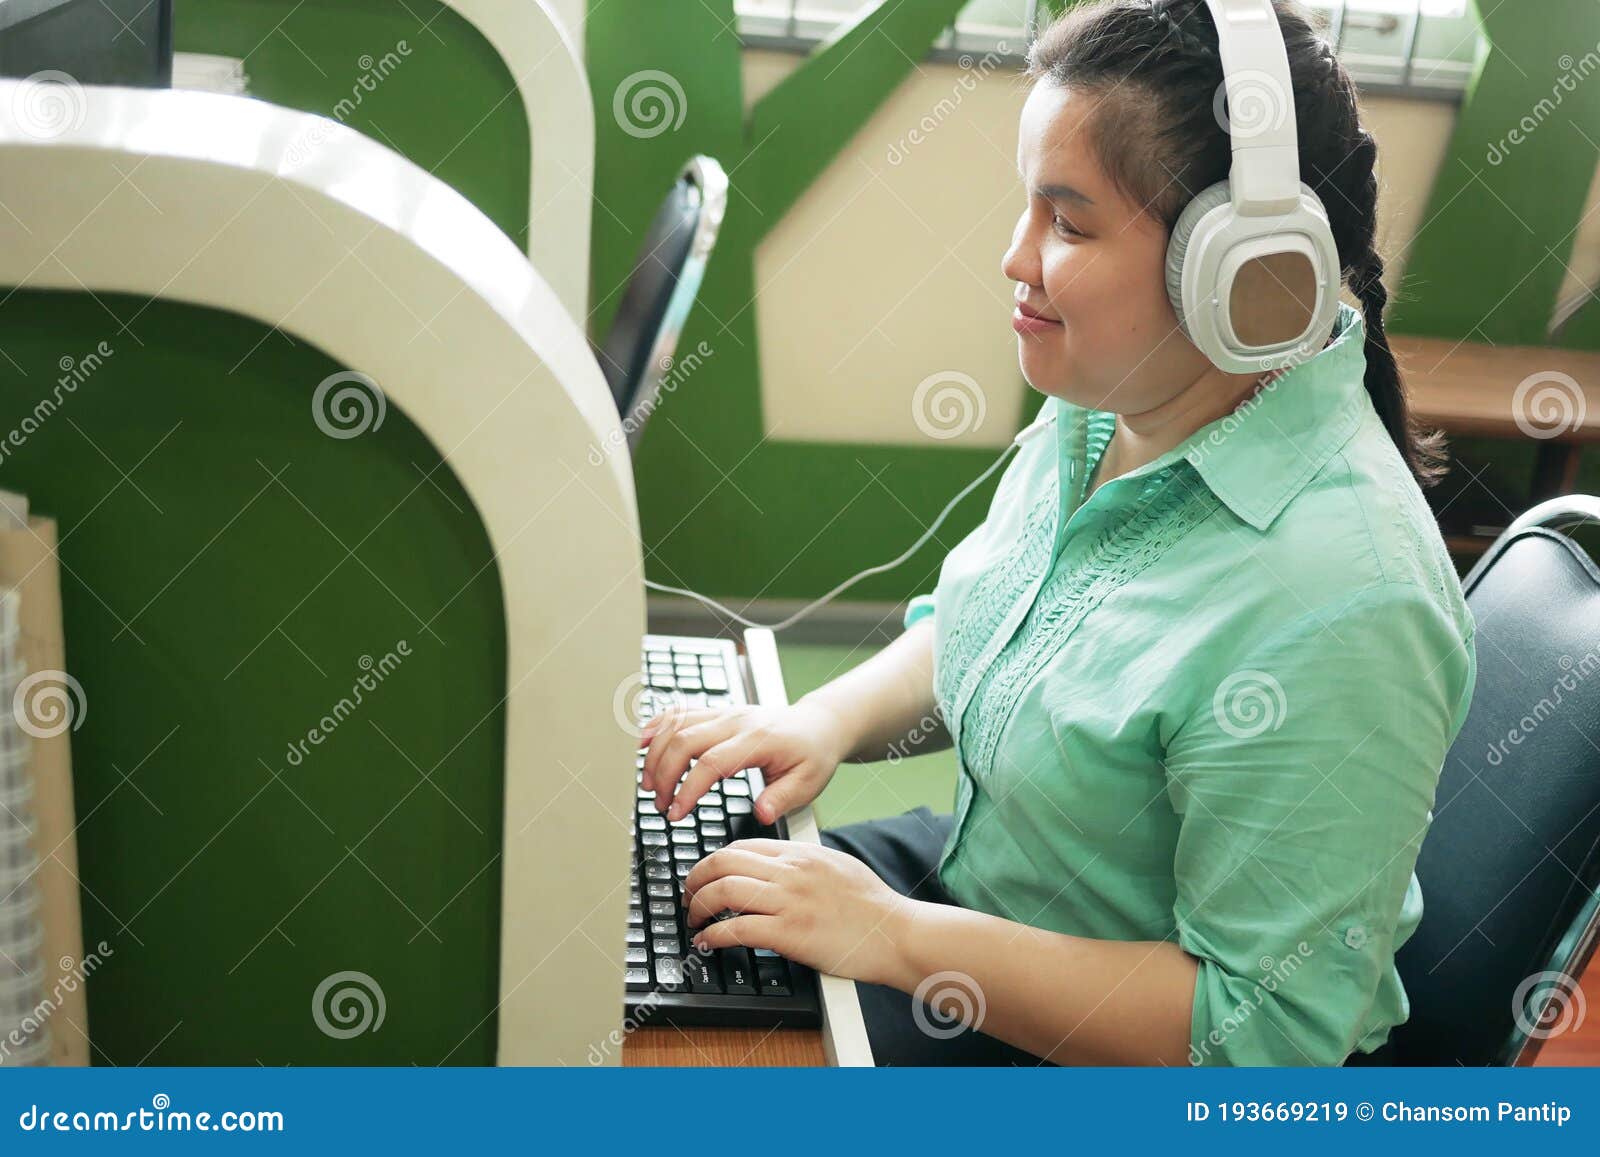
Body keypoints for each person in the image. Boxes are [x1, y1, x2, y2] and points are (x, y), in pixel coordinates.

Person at [638, 0, 1477, 1066]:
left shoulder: (1346, 598)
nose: (1014, 258)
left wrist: (892, 935)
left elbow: (1258, 1031)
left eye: (1069, 223)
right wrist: (823, 719)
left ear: (1242, 274)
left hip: (1096, 1052)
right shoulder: (1112, 400)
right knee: (638, 941)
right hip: (978, 894)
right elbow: (995, 620)